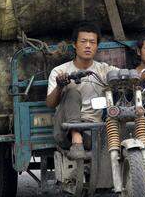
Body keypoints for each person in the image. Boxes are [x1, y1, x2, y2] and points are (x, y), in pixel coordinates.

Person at [46, 22, 117, 160]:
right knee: (71, 90)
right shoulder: (60, 71)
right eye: (83, 41)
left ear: (97, 46)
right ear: (74, 44)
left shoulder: (104, 70)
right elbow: (50, 104)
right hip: (64, 132)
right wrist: (60, 86)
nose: (88, 45)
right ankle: (75, 136)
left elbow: (130, 75)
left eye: (92, 42)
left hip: (92, 130)